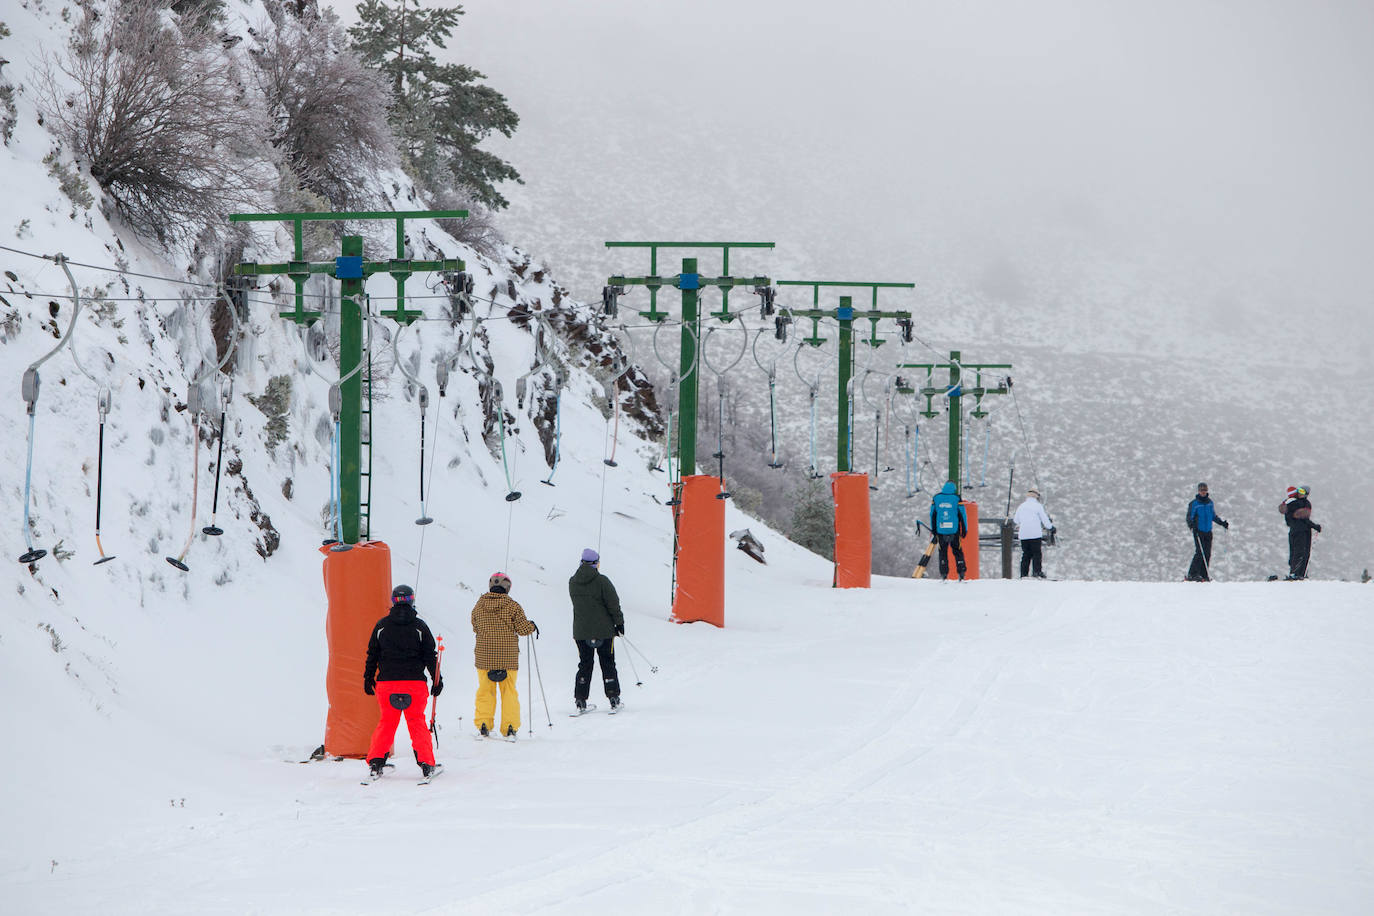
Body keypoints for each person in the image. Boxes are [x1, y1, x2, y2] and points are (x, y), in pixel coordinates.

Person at [363, 584, 442, 780]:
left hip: (386, 685)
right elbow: (430, 656)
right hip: (414, 685)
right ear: (411, 600)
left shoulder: (382, 626)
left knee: (387, 723)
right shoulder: (420, 627)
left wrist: (368, 678)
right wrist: (437, 680)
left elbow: (372, 654)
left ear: (393, 600)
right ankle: (426, 764)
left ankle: (376, 763)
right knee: (416, 723)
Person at [471, 572, 538, 738]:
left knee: (485, 691)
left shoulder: (479, 605)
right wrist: (532, 626)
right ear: (507, 587)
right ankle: (509, 727)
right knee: (509, 692)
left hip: (484, 657)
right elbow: (523, 629)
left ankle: (484, 725)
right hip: (507, 658)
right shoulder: (513, 606)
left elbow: (475, 626)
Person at [569, 548, 625, 712]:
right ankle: (613, 697)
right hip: (604, 631)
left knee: (585, 664)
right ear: (596, 564)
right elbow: (613, 603)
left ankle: (580, 699)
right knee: (607, 663)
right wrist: (619, 623)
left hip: (581, 632)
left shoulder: (573, 581)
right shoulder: (602, 581)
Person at [1185, 482, 1229, 581]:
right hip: (1198, 531)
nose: (1203, 492)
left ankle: (1204, 575)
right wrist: (1192, 526)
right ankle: (1192, 574)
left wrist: (1222, 523)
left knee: (1207, 553)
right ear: (1198, 491)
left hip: (1208, 531)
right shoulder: (1194, 503)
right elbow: (1189, 517)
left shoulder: (1210, 503)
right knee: (1200, 552)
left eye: (1205, 490)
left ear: (1207, 491)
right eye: (1201, 490)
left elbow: (1213, 516)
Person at [928, 481, 967, 581]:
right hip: (954, 530)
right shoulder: (957, 498)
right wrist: (964, 529)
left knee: (942, 552)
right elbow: (963, 515)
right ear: (953, 488)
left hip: (941, 530)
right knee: (958, 551)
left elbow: (932, 515)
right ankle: (961, 572)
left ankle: (944, 574)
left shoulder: (936, 498)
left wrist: (934, 530)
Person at [1013, 488, 1055, 579]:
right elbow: (1044, 519)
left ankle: (1023, 574)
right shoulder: (1038, 506)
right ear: (1037, 496)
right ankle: (1037, 572)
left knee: (1026, 554)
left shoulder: (1021, 506)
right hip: (1035, 534)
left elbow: (1016, 520)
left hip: (1023, 534)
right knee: (1036, 553)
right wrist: (1051, 527)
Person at [1283, 486, 1321, 580]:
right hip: (1300, 531)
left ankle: (1297, 573)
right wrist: (1315, 526)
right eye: (1299, 490)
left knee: (1299, 552)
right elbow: (1304, 519)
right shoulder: (1300, 503)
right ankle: (1296, 573)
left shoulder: (1293, 502)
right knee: (1300, 552)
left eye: (1302, 491)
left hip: (1300, 531)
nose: (1300, 493)